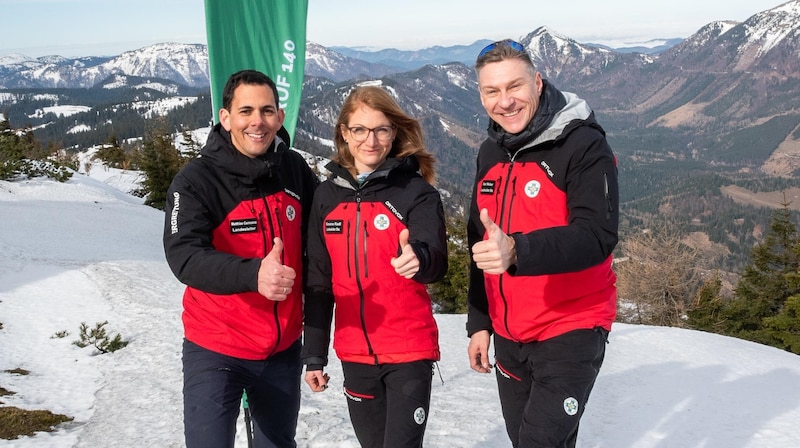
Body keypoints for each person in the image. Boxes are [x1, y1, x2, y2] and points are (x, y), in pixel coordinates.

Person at [466, 40, 619, 448]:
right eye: (491, 91)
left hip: (572, 325)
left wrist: (518, 250)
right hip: (510, 335)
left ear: (537, 82)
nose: (505, 102)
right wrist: (480, 323)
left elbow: (597, 235)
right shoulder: (490, 152)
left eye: (514, 87)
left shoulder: (582, 144)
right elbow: (479, 245)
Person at [163, 69, 318, 448]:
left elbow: (321, 237)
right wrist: (253, 275)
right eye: (246, 110)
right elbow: (184, 256)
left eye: (267, 111)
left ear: (280, 118)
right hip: (217, 348)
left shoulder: (293, 168)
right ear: (226, 117)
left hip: (282, 351)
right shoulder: (196, 180)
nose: (257, 121)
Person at [301, 85, 448, 448]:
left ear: (394, 132)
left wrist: (420, 259)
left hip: (409, 349)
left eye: (382, 129)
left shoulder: (415, 193)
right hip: (354, 353)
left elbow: (436, 259)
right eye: (360, 130)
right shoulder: (326, 197)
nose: (372, 140)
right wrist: (314, 356)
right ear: (344, 134)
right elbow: (319, 282)